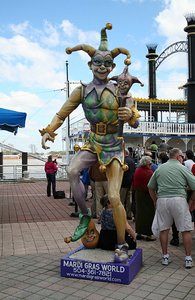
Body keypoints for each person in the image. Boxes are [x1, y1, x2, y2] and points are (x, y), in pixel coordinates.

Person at [39, 23, 141, 263]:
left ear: (113, 67)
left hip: (114, 145)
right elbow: (61, 113)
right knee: (73, 170)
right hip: (93, 140)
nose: (102, 67)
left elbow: (134, 117)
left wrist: (131, 116)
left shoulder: (120, 90)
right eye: (98, 63)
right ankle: (85, 215)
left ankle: (121, 242)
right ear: (90, 65)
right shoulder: (81, 91)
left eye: (107, 63)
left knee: (114, 198)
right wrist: (49, 131)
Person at [148, 148, 195, 269]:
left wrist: (155, 200)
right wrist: (191, 200)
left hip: (163, 200)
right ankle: (188, 258)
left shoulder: (160, 168)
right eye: (182, 157)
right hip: (179, 200)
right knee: (185, 229)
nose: (183, 159)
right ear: (178, 156)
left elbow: (150, 187)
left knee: (164, 229)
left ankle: (165, 256)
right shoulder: (182, 168)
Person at [132, 156, 156, 241]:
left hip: (138, 194)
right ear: (147, 164)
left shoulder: (137, 170)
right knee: (149, 214)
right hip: (147, 194)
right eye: (150, 163)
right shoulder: (149, 172)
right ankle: (149, 234)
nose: (151, 164)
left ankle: (139, 232)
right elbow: (152, 185)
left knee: (139, 213)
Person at [120, 149, 136, 219]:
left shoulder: (122, 161)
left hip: (123, 183)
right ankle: (129, 214)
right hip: (130, 182)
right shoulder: (132, 160)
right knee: (128, 199)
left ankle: (122, 215)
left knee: (122, 200)